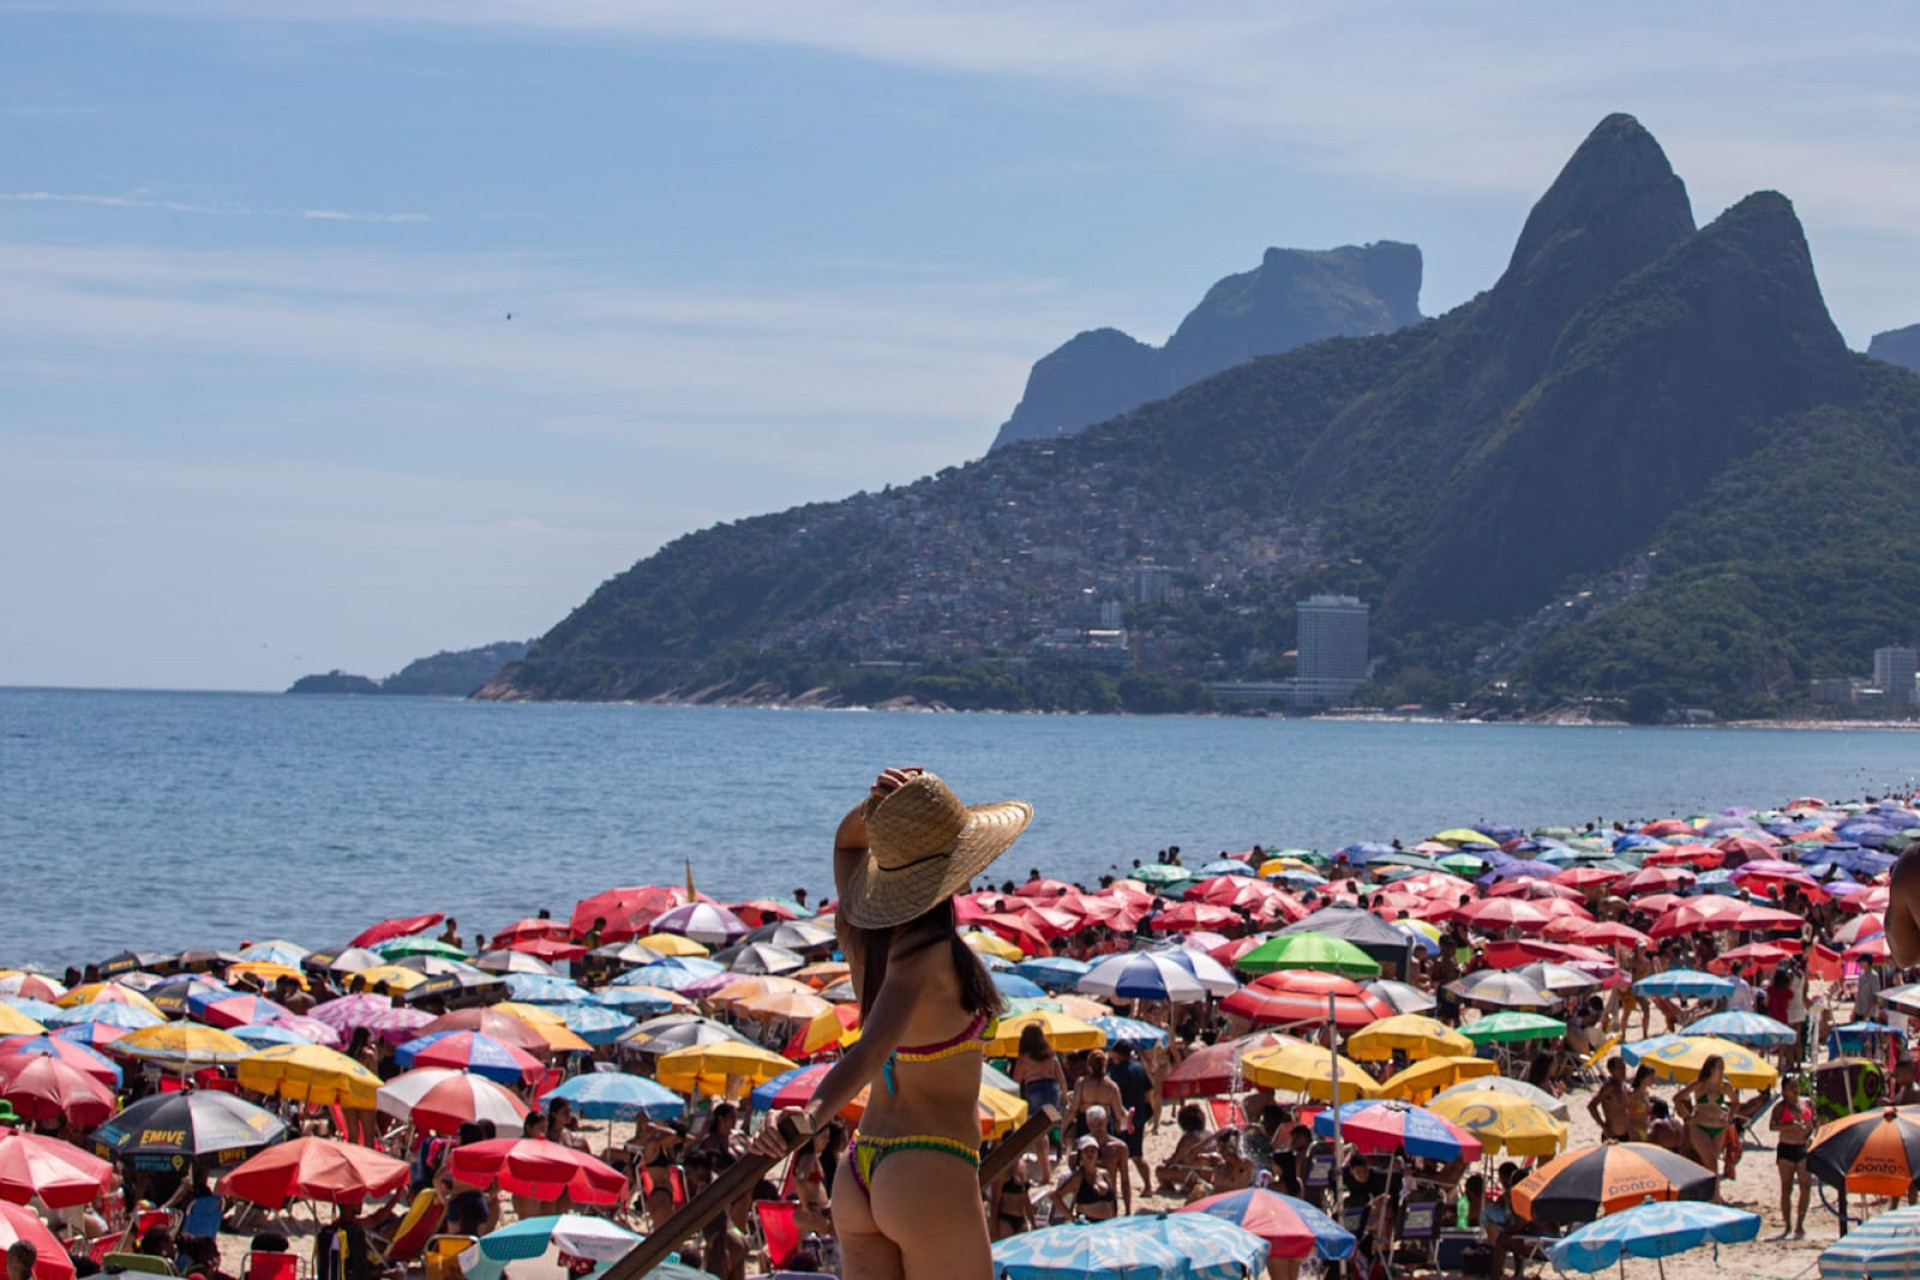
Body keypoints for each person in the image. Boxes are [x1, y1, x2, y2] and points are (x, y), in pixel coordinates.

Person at [748, 767, 1033, 1280]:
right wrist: (809, 1116)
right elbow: (871, 1049)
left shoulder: (861, 933)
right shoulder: (930, 953)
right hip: (929, 1165)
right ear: (948, 871)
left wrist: (879, 810)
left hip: (863, 1166)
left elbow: (846, 845)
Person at [1675, 1054, 1738, 1200]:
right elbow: (1678, 1098)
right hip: (1700, 1127)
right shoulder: (1699, 1084)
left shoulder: (1724, 1086)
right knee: (1712, 1162)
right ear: (1709, 1068)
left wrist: (1729, 1118)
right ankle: (1716, 1197)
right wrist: (1687, 1117)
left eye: (1722, 1067)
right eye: (1717, 1067)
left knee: (1709, 1163)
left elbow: (1735, 1102)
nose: (1720, 1070)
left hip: (1718, 1127)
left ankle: (1705, 1194)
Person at [1011, 1024, 1067, 1157]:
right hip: (1052, 1089)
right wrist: (1064, 1095)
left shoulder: (1024, 1058)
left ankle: (1043, 1159)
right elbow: (1061, 1078)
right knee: (1050, 1123)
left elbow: (1016, 1080)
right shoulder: (1051, 1056)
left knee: (1037, 1128)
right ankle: (1057, 1147)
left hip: (1034, 1088)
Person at [1106, 1042, 1156, 1189]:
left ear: (1118, 1054)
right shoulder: (1139, 1068)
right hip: (1138, 1117)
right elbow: (1148, 1093)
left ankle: (1116, 1188)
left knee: (1117, 1156)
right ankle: (1148, 1186)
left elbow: (1114, 1096)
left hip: (1121, 1118)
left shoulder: (1115, 1072)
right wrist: (1147, 1112)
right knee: (1137, 1156)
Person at [1770, 1075, 1815, 1239]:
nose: (1795, 1090)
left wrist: (1811, 1135)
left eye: (1796, 1086)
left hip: (1803, 1147)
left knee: (1806, 1185)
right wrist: (1789, 1126)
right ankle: (1787, 1225)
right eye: (1791, 1088)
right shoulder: (1780, 1107)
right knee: (1786, 1188)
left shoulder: (1807, 1103)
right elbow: (1772, 1126)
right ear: (1784, 1091)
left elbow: (1814, 1122)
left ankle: (1799, 1225)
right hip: (1786, 1148)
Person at [1051, 1138, 1118, 1222]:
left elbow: (1113, 1200)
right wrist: (1071, 1217)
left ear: (1098, 1153)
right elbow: (1055, 1196)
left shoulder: (1105, 1174)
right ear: (1081, 1155)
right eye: (1086, 1151)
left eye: (1093, 1150)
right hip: (1087, 1224)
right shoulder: (1078, 1177)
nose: (1090, 1153)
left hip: (1108, 1223)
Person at [1588, 1057, 1630, 1142]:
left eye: (1624, 1067)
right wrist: (1603, 1126)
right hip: (1612, 1135)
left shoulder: (1623, 1087)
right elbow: (1591, 1106)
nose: (1623, 1070)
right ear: (1612, 1071)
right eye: (1620, 1068)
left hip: (1626, 1135)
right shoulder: (1609, 1087)